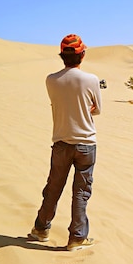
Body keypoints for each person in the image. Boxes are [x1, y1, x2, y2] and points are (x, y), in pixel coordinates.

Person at [28, 34, 102, 251]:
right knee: (81, 191)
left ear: (62, 55)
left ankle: (41, 228)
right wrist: (85, 107)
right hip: (86, 144)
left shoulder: (51, 79)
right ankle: (77, 237)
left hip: (61, 143)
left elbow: (61, 102)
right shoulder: (92, 80)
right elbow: (97, 110)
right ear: (82, 54)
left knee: (53, 187)